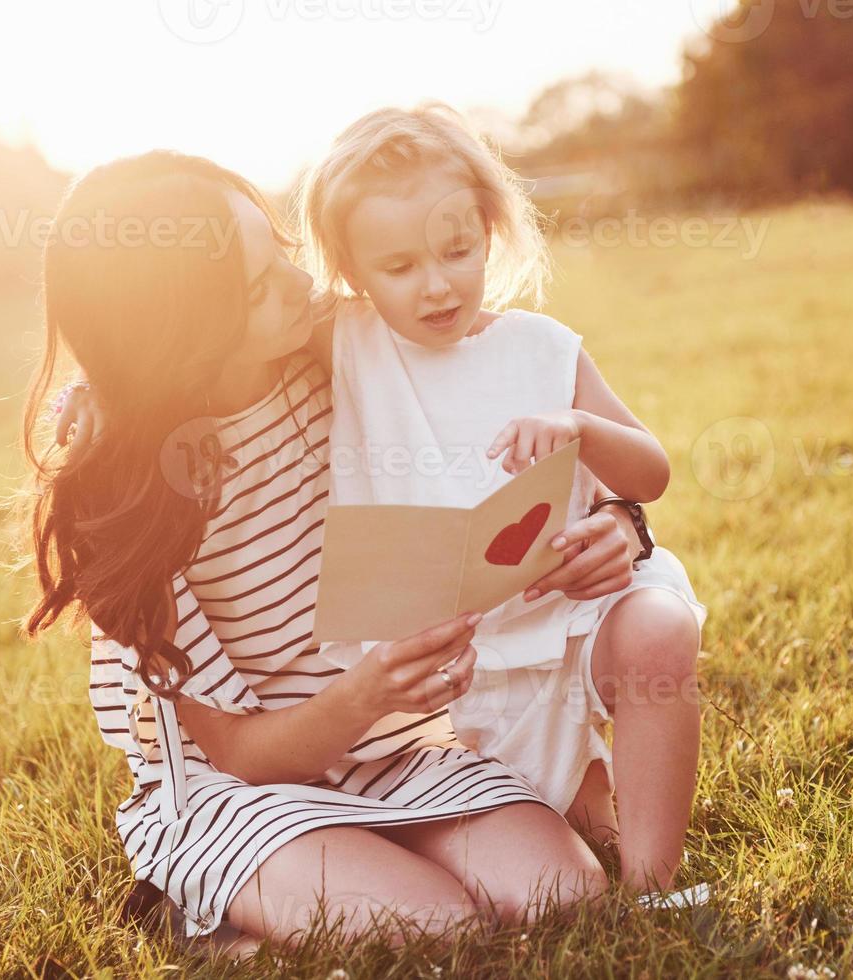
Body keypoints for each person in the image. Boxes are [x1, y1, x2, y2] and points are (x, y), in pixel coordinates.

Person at [24, 151, 687, 956]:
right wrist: (368, 694)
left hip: (399, 755)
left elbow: (502, 380)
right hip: (246, 788)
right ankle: (205, 916)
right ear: (186, 328)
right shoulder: (135, 501)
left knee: (564, 901)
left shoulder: (334, 361)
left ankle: (338, 874)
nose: (303, 287)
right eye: (260, 286)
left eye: (283, 256)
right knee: (434, 930)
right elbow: (240, 752)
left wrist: (620, 519)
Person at [297, 103, 706, 895]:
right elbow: (214, 329)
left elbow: (649, 475)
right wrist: (100, 389)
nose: (437, 284)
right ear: (350, 271)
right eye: (399, 267)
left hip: (570, 612)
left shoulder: (542, 348)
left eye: (457, 250)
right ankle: (584, 813)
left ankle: (653, 886)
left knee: (657, 634)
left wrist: (580, 425)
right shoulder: (343, 341)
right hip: (452, 661)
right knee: (564, 835)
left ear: (489, 227)